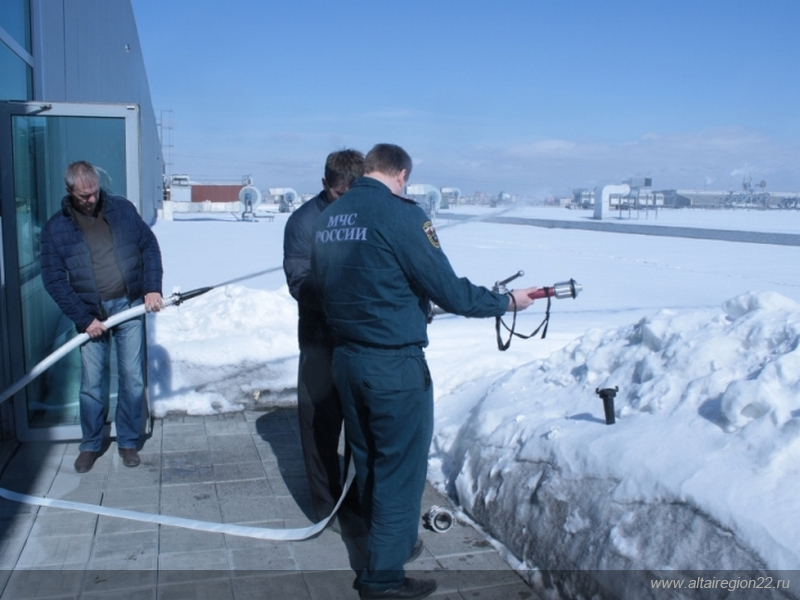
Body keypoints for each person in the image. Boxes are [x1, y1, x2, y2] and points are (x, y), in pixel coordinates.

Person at [311, 144, 539, 600]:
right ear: (399, 174)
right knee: (400, 472)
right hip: (392, 365)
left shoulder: (329, 219)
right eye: (406, 182)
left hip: (347, 360)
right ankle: (383, 580)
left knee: (370, 461)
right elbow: (450, 291)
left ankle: (387, 548)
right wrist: (507, 302)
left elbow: (332, 286)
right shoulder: (402, 215)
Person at [40, 160, 164, 473]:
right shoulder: (57, 228)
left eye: (94, 192)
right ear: (69, 192)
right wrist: (83, 319)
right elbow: (54, 279)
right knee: (92, 383)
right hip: (90, 313)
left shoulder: (121, 210)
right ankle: (91, 443)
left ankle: (127, 440)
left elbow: (148, 246)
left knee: (132, 378)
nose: (91, 200)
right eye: (84, 196)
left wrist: (151, 288)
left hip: (128, 305)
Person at [282, 149, 366, 530]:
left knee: (361, 426)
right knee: (320, 425)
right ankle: (325, 505)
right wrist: (341, 293)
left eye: (351, 195)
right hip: (319, 340)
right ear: (324, 184)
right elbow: (299, 281)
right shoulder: (302, 223)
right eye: (336, 195)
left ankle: (357, 499)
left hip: (361, 340)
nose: (343, 203)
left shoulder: (369, 214)